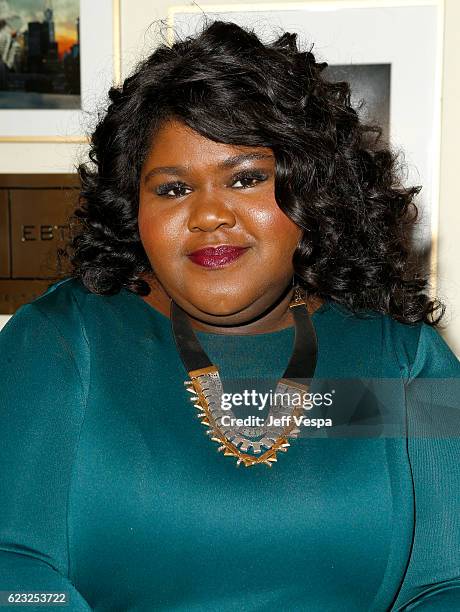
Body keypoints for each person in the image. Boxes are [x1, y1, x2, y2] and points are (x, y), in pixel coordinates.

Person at [0, 19, 459, 611]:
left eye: (246, 179)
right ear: (132, 207)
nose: (208, 214)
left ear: (313, 189)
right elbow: (15, 568)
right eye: (171, 189)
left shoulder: (402, 357)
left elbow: (445, 584)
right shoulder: (62, 341)